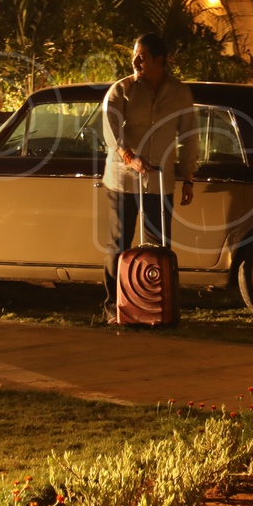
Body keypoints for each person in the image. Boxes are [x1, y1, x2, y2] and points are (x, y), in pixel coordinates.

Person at [101, 33, 198, 320]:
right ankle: (113, 309)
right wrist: (130, 157)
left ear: (159, 60)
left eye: (142, 56)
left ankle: (156, 307)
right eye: (135, 55)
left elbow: (189, 136)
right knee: (119, 245)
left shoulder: (179, 93)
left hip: (159, 180)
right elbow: (111, 131)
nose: (135, 61)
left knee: (159, 244)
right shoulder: (122, 90)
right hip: (123, 180)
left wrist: (188, 177)